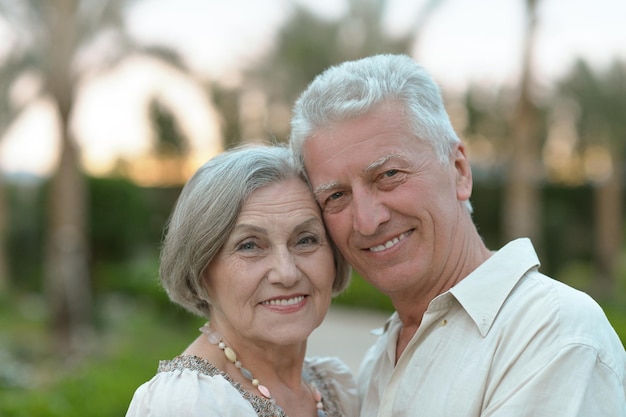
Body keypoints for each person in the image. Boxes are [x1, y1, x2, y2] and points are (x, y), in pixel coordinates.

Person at [289, 54, 626, 416]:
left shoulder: (552, 335)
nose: (367, 222)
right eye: (336, 196)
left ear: (460, 171)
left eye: (389, 175)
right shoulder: (383, 356)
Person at [126, 145, 358, 417]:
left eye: (305, 240)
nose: (287, 273)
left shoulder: (333, 386)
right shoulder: (188, 404)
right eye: (249, 246)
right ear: (201, 267)